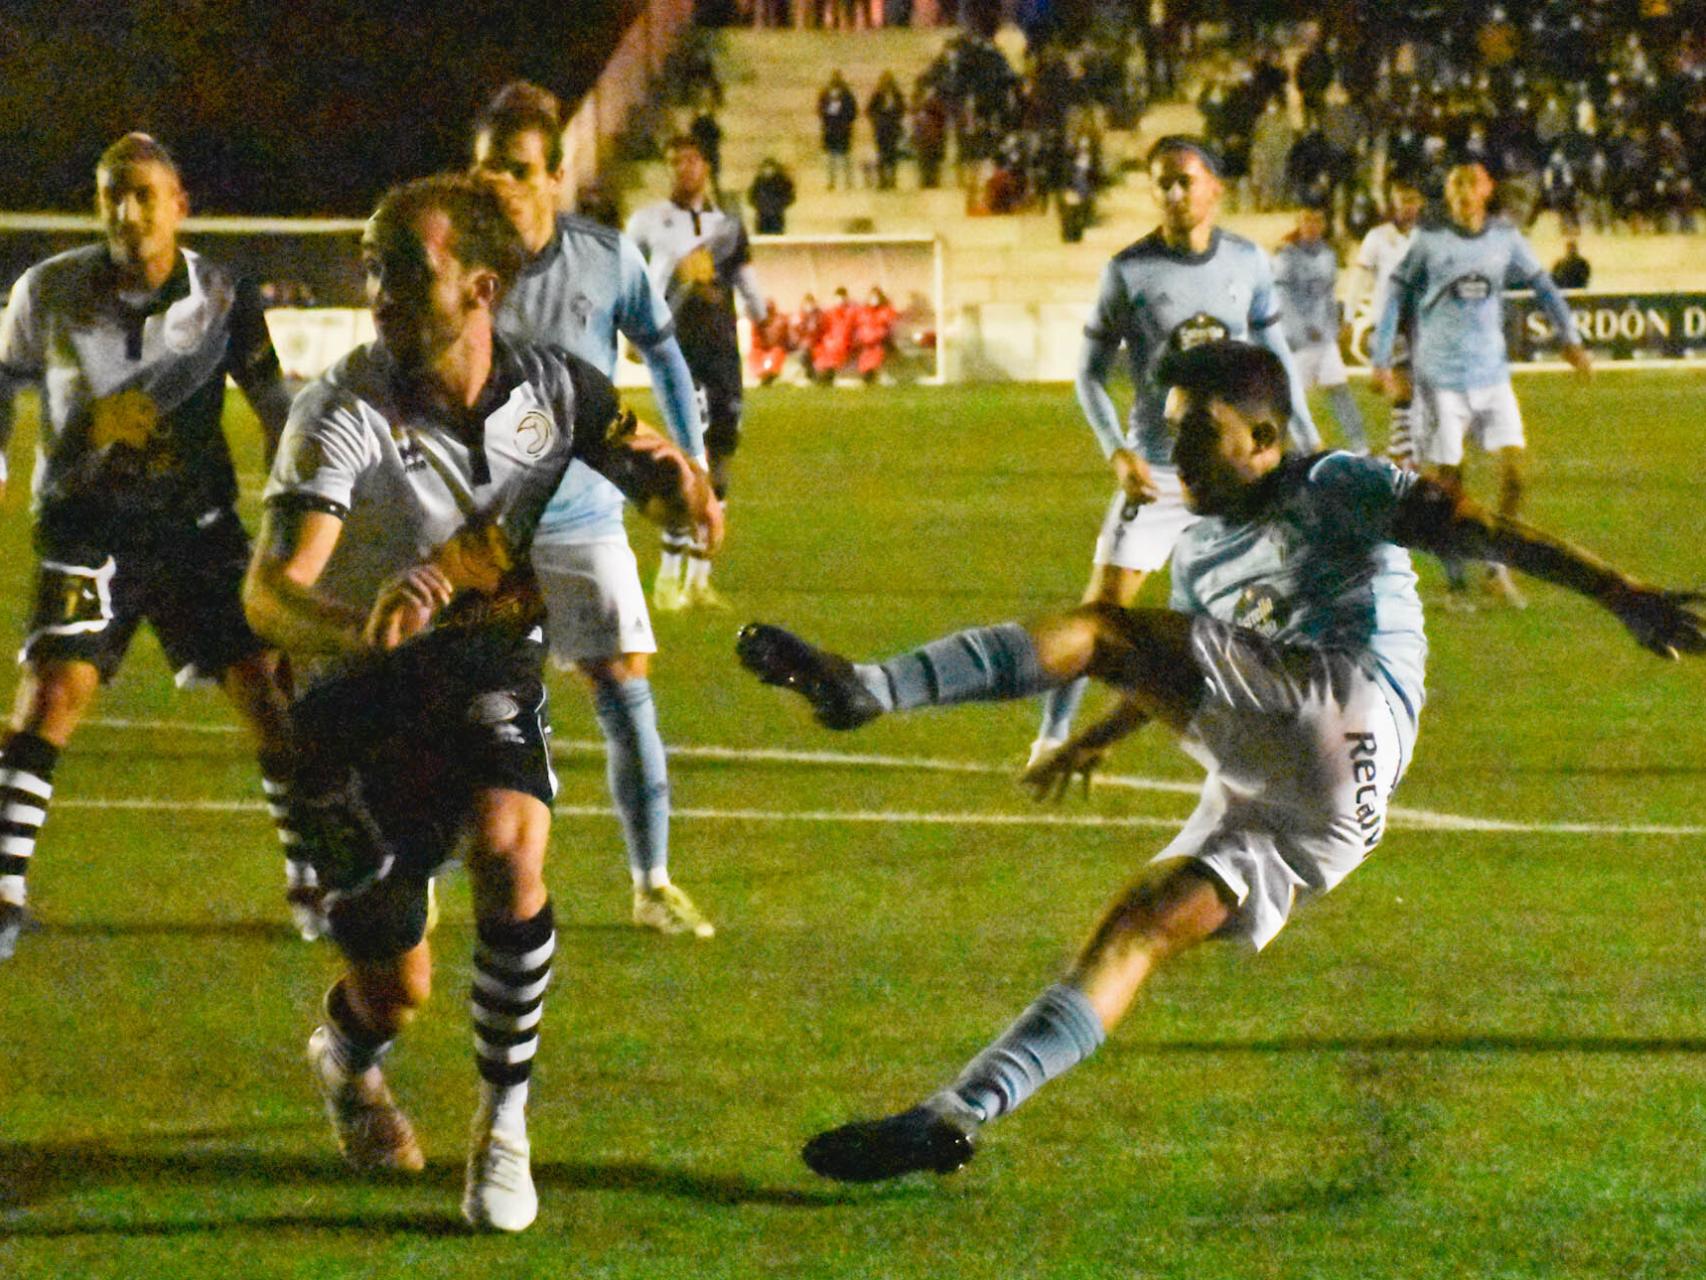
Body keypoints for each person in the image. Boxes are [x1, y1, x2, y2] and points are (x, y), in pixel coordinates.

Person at [734, 339, 1705, 1184]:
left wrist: (1619, 593)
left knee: (1107, 625)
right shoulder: (1199, 552)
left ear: (1262, 436)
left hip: (1340, 701)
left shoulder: (1329, 481)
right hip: (1323, 802)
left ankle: (869, 687)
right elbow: (1207, 677)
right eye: (1168, 431)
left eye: (1196, 432)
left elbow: (1478, 531)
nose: (1174, 452)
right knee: (1141, 924)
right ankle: (953, 1112)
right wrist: (1100, 735)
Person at [243, 173, 718, 1232]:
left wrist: (682, 492)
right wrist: (353, 622)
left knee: (511, 845)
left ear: (481, 287)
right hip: (351, 702)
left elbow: (633, 448)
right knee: (394, 984)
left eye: (402, 269)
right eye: (371, 266)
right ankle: (347, 1058)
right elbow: (268, 591)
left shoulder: (551, 389)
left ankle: (502, 1130)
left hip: (485, 665)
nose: (376, 291)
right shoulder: (345, 411)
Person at [0, 132, 297, 959]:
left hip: (197, 531)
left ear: (179, 206)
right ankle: (3, 884)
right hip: (85, 525)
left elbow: (276, 405)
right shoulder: (46, 291)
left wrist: (300, 503)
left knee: (270, 694)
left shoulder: (226, 297)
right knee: (54, 694)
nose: (127, 212)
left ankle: (311, 876)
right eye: (111, 196)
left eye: (143, 194)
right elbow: (3, 383)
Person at [471, 82, 721, 938]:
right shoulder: (457, 265)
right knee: (447, 706)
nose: (496, 185)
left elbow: (664, 353)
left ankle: (651, 881)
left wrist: (691, 467)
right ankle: (418, 879)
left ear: (553, 175)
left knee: (624, 691)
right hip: (478, 529)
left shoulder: (606, 257)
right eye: (484, 169)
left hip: (582, 517)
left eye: (515, 169)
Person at [1028, 135, 1320, 770]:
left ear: (1216, 187)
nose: (1175, 193)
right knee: (1102, 616)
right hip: (1159, 473)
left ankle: (1295, 727)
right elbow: (1089, 374)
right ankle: (1052, 738)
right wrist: (1115, 452)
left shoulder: (1246, 262)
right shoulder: (1129, 271)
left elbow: (1277, 363)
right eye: (1163, 183)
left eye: (1186, 180)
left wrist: (1309, 440)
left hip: (1236, 473)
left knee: (1277, 601)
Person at [1372, 162, 1591, 610]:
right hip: (1440, 380)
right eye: (1456, 185)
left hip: (1491, 375)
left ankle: (1497, 567)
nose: (1464, 192)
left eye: (1471, 183)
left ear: (1488, 189)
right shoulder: (1429, 240)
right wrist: (1381, 358)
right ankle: (1455, 584)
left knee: (1517, 476)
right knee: (1450, 488)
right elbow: (1394, 294)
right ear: (1449, 195)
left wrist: (1569, 337)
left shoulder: (1505, 238)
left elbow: (1543, 286)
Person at [627, 135, 765, 611]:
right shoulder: (647, 222)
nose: (684, 168)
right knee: (690, 457)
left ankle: (700, 578)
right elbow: (636, 280)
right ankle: (670, 577)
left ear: (706, 165)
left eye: (691, 159)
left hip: (724, 354)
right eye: (675, 161)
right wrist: (635, 330)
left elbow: (744, 278)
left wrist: (763, 312)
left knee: (723, 453)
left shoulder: (728, 225)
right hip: (679, 354)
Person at [1272, 205, 1367, 453]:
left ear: (1324, 224)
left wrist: (1334, 326)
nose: (1312, 226)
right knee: (1290, 400)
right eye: (1307, 220)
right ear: (1299, 223)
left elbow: (1328, 295)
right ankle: (1283, 448)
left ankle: (1360, 447)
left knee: (1340, 391)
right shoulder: (1286, 257)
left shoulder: (1328, 254)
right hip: (1298, 341)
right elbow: (1282, 298)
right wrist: (1300, 329)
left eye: (1317, 221)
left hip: (1324, 339)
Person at [1348, 179, 1425, 469]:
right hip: (1389, 321)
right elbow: (1360, 278)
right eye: (1402, 200)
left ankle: (1402, 449)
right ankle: (1403, 453)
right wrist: (1349, 315)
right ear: (1394, 203)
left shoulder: (1426, 237)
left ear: (1420, 203)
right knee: (1402, 387)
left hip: (1420, 320)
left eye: (1412, 200)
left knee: (1417, 388)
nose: (1408, 207)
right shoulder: (1378, 237)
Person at [818, 71, 858, 191]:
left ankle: (848, 181)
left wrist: (847, 122)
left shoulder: (846, 94)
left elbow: (853, 110)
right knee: (831, 158)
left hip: (843, 129)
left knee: (846, 157)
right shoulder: (826, 93)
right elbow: (821, 109)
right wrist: (826, 120)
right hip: (831, 129)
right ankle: (832, 181)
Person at [868, 72, 908, 191]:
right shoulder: (877, 95)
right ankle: (882, 180)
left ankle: (892, 179)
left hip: (893, 128)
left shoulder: (896, 95)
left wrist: (896, 118)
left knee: (892, 155)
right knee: (881, 155)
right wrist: (877, 120)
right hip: (881, 129)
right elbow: (869, 110)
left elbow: (902, 108)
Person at [748, 157, 796, 235]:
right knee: (762, 236)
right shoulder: (759, 181)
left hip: (776, 215)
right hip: (762, 214)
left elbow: (789, 196)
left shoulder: (781, 181)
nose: (768, 170)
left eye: (770, 168)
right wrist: (759, 206)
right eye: (766, 168)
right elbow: (751, 197)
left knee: (777, 235)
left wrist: (780, 205)